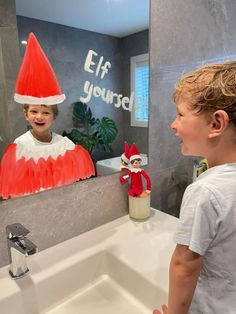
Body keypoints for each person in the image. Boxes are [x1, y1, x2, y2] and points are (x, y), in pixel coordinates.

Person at [153, 61, 236, 314]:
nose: (173, 125)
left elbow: (185, 265)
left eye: (180, 114)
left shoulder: (206, 191)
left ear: (216, 124)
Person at [0, 32, 95, 199]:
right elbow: (14, 194)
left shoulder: (65, 145)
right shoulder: (20, 146)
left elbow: (72, 183)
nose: (39, 117)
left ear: (54, 116)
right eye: (34, 111)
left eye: (46, 112)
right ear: (26, 115)